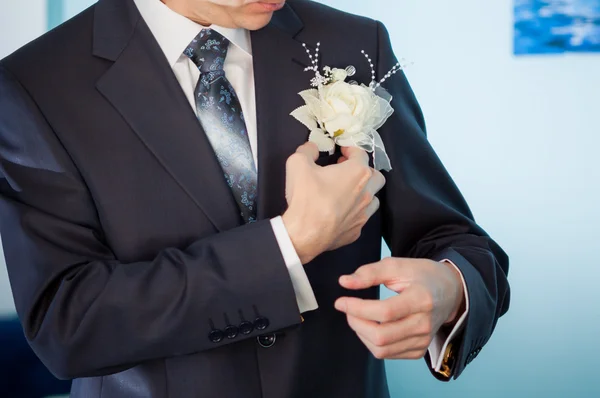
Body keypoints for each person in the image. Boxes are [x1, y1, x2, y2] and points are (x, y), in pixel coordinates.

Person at [0, 0, 510, 397]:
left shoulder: (353, 42)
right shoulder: (36, 83)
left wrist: (451, 291)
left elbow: (453, 237)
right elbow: (68, 324)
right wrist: (288, 245)